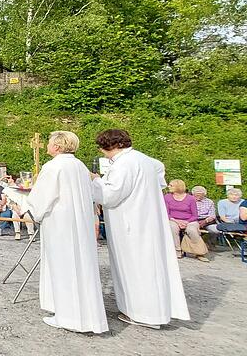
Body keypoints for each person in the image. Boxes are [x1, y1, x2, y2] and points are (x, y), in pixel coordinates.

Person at [91, 129, 189, 328]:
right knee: (150, 266)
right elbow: (160, 171)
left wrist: (94, 180)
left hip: (131, 223)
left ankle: (143, 314)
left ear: (113, 145)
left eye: (103, 148)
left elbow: (109, 195)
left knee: (135, 267)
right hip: (147, 220)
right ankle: (154, 311)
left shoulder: (124, 164)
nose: (103, 152)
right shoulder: (144, 159)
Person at [28, 131, 108, 333]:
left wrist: (28, 208)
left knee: (63, 266)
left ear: (56, 146)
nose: (46, 145)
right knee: (80, 265)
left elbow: (42, 197)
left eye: (49, 142)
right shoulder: (79, 166)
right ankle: (82, 313)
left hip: (60, 223)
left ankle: (68, 317)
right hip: (79, 222)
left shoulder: (53, 166)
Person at [164, 180, 209, 262]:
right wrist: (177, 221)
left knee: (192, 230)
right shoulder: (167, 197)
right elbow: (166, 213)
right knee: (172, 227)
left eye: (171, 185)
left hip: (189, 220)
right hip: (173, 219)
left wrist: (186, 222)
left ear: (178, 187)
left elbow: (195, 215)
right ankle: (177, 251)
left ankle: (199, 252)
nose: (168, 187)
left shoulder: (190, 198)